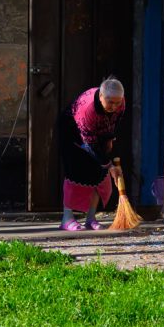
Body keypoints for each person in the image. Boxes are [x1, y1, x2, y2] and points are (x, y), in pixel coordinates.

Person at [57, 77, 126, 231]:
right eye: (110, 102)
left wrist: (110, 139)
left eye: (117, 102)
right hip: (72, 133)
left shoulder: (120, 103)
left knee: (98, 175)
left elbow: (114, 123)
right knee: (75, 174)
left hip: (97, 133)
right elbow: (90, 145)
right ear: (101, 96)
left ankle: (91, 218)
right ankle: (67, 219)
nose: (114, 106)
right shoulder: (87, 110)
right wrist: (109, 166)